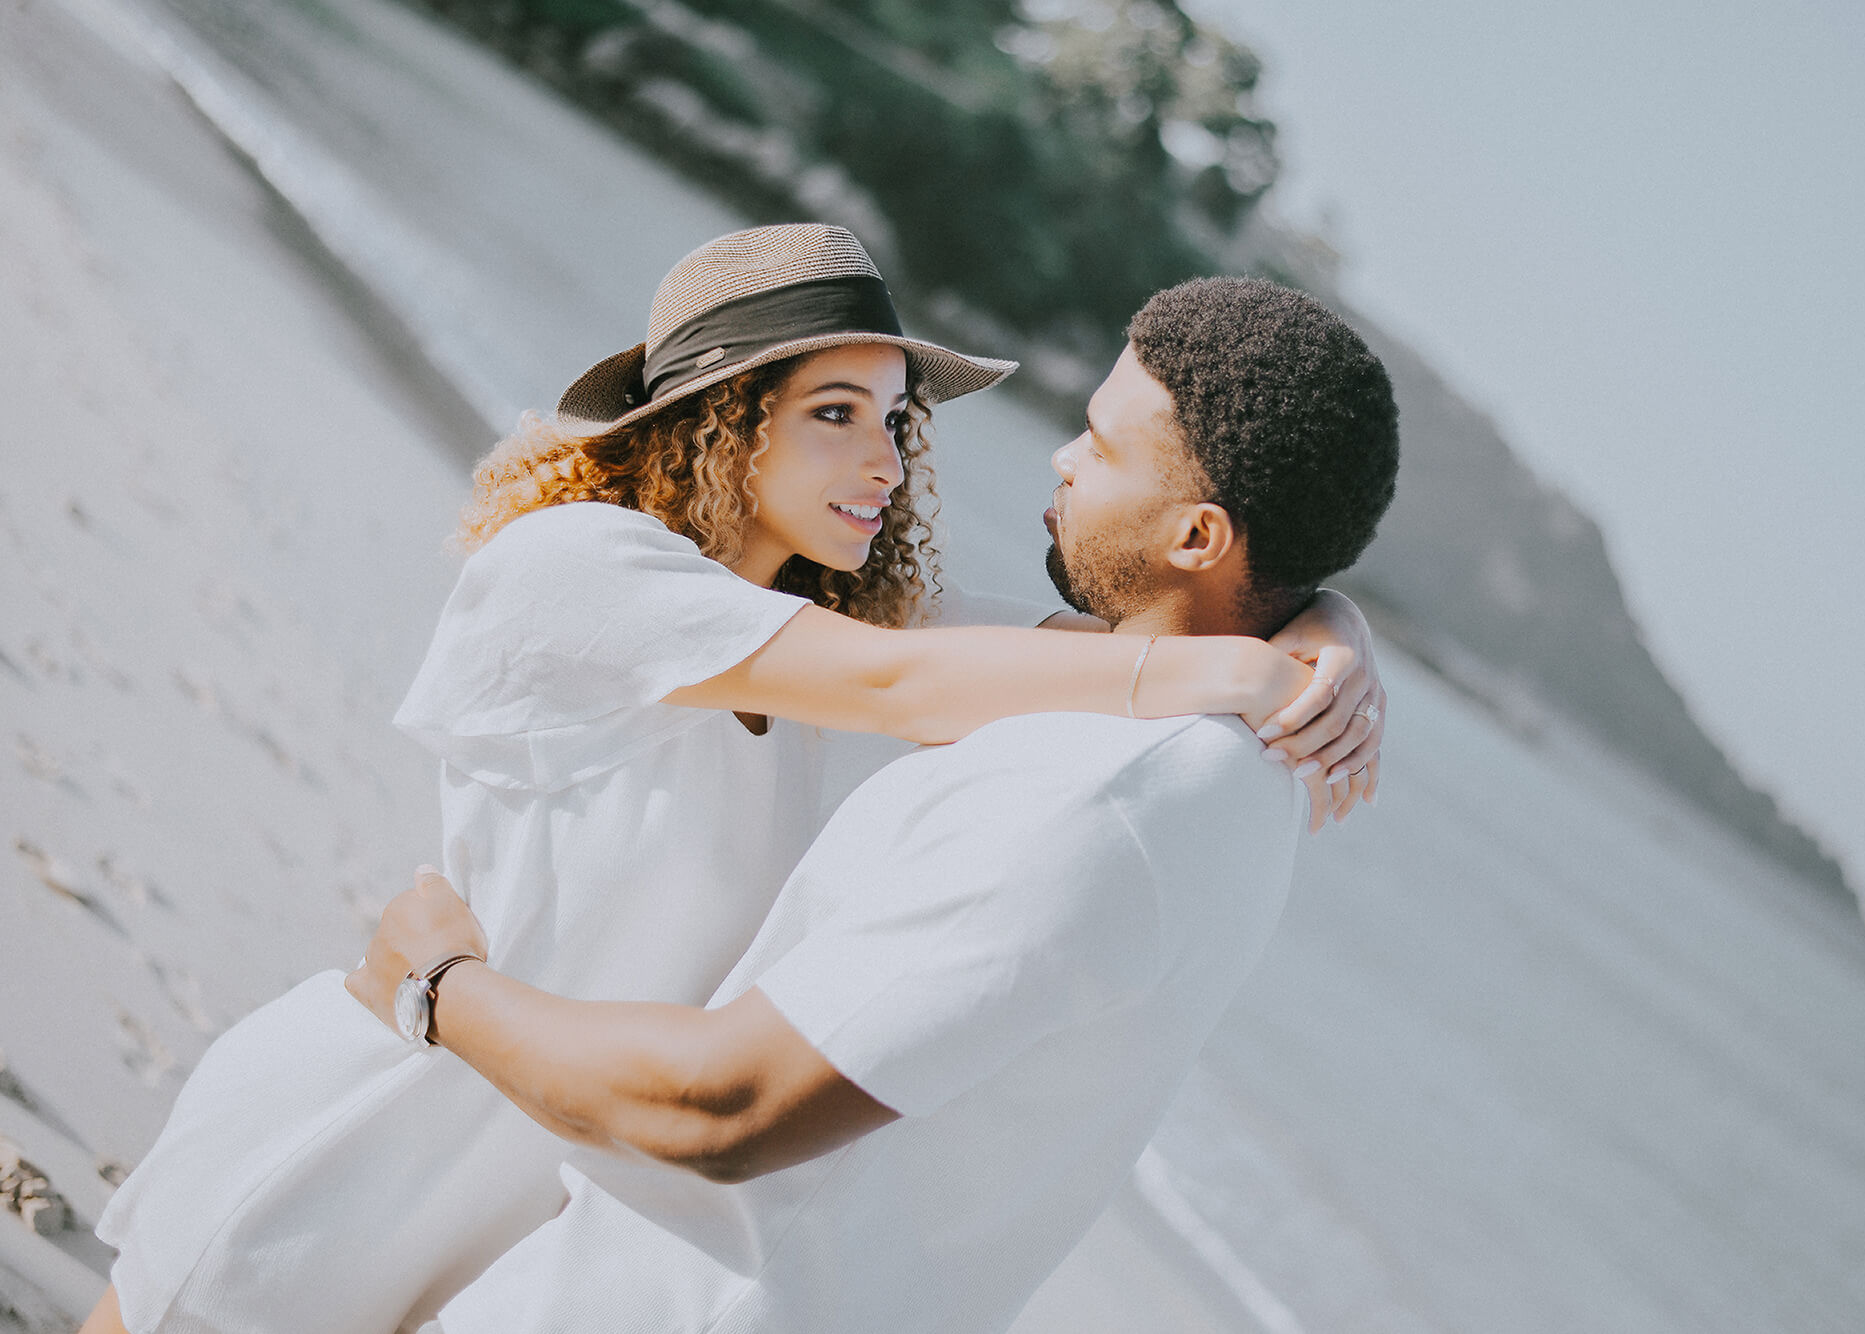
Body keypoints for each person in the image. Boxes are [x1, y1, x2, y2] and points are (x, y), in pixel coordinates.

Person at [83, 229, 1383, 1334]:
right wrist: (1232, 678)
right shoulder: (578, 572)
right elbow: (909, 687)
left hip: (547, 1169)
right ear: (720, 412)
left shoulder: (842, 610)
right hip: (381, 1131)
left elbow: (1098, 644)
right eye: (836, 414)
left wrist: (1326, 633)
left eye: (896, 419)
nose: (884, 457)